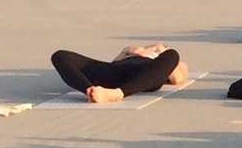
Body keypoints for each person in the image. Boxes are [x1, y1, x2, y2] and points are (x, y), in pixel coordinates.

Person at [49, 43, 189, 103]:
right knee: (60, 56)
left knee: (173, 54)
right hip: (114, 72)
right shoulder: (134, 51)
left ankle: (117, 94)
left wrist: (162, 50)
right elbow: (113, 63)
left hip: (143, 75)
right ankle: (90, 90)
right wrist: (133, 51)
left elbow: (177, 78)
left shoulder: (164, 58)